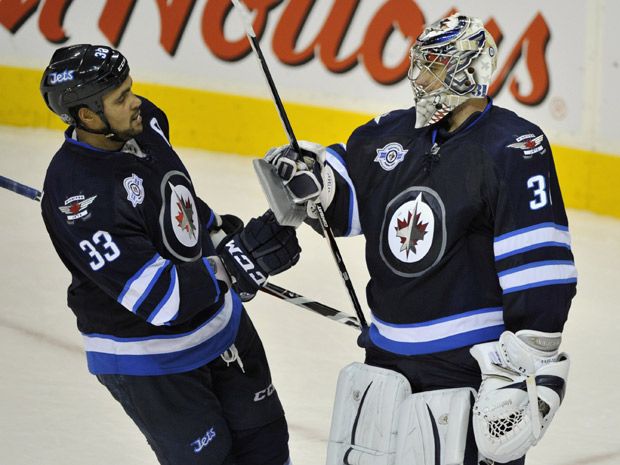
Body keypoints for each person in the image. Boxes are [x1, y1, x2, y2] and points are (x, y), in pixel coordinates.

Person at [261, 14, 576, 465]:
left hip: (468, 366)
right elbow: (350, 205)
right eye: (419, 63)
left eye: (433, 66)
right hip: (385, 356)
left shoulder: (513, 148)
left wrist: (525, 361)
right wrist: (313, 179)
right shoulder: (385, 134)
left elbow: (541, 268)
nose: (418, 77)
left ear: (467, 71)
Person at [39, 44, 300, 465]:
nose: (135, 102)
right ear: (87, 116)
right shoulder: (79, 197)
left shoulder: (146, 123)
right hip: (150, 358)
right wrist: (235, 263)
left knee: (268, 446)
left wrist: (217, 231)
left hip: (222, 326)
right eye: (120, 98)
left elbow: (174, 194)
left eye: (130, 89)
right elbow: (161, 300)